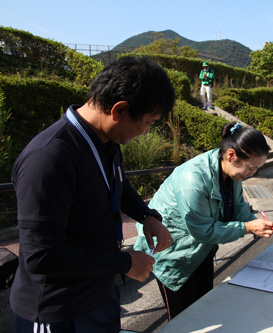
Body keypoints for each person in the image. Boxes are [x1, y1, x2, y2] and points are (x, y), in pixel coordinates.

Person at [10, 56, 176, 332]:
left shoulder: (105, 140)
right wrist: (125, 262)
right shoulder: (49, 157)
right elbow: (40, 256)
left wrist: (147, 215)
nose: (146, 132)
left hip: (98, 293)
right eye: (148, 122)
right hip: (58, 310)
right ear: (119, 110)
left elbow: (118, 185)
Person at [134, 122, 273, 320]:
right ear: (231, 155)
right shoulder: (193, 178)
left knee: (203, 308)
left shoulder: (230, 172)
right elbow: (203, 231)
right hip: (172, 252)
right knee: (182, 321)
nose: (252, 174)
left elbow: (238, 206)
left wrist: (254, 223)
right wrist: (247, 228)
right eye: (251, 168)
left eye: (257, 169)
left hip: (200, 249)